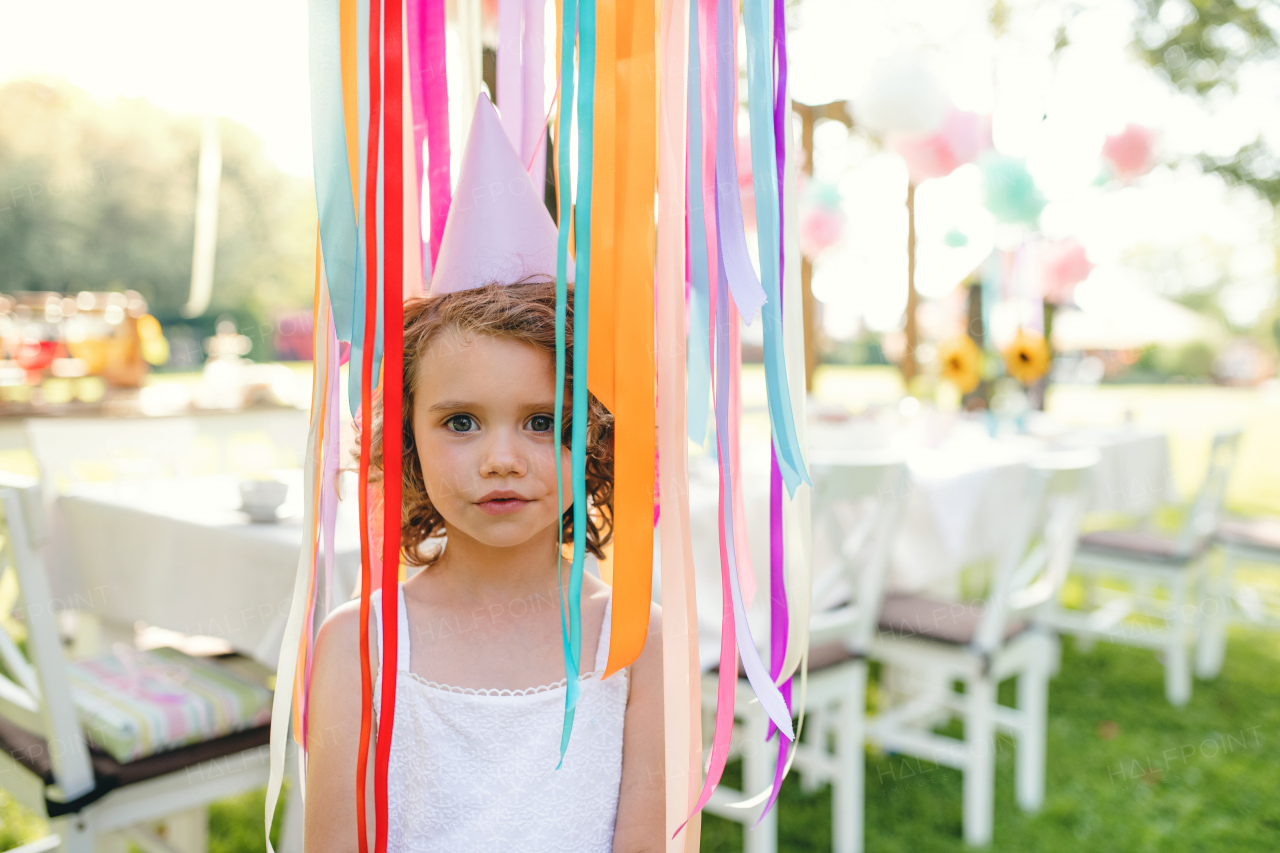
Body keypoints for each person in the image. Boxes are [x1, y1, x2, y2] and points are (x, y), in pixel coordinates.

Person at [301, 94, 664, 853]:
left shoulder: (632, 639)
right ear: (407, 439)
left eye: (542, 421)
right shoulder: (358, 646)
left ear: (593, 436)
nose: (502, 458)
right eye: (461, 421)